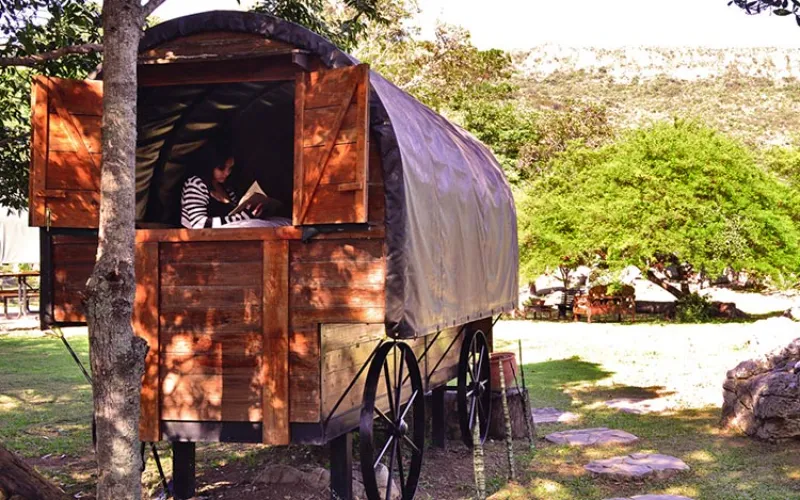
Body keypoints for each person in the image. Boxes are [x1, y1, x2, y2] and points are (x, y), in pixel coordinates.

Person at [180, 153, 263, 229]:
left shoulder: (226, 188)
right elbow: (199, 224)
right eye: (221, 168)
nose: (227, 173)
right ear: (210, 165)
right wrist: (241, 217)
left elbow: (234, 216)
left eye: (230, 168)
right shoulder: (196, 183)